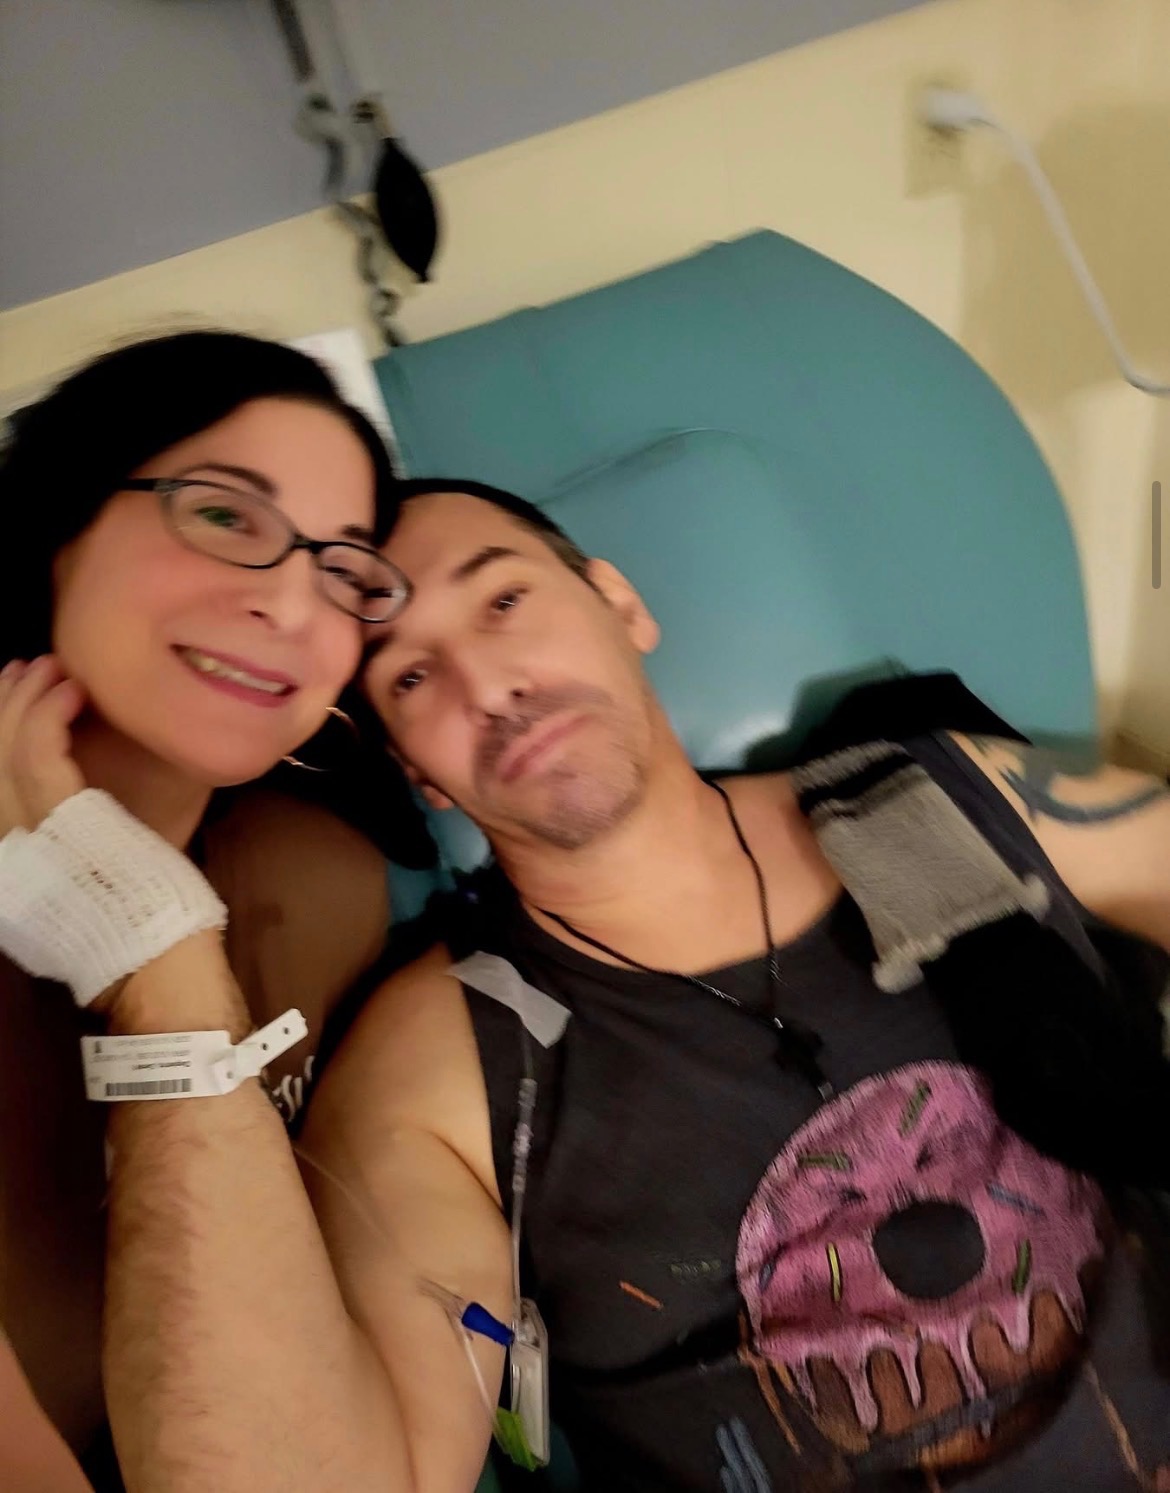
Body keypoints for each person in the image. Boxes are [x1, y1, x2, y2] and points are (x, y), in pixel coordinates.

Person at [2, 478, 1168, 1491]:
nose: (488, 682)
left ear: (621, 603)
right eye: (412, 675)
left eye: (504, 599)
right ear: (419, 774)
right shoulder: (445, 1076)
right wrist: (155, 962)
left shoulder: (939, 803)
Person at [0, 331, 425, 1490]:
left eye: (344, 569)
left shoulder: (321, 882)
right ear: (59, 524)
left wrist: (151, 945)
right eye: (226, 514)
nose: (290, 602)